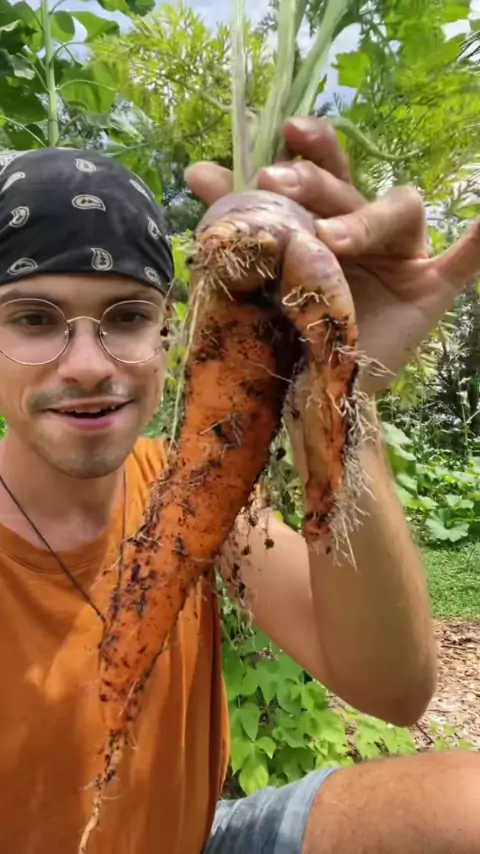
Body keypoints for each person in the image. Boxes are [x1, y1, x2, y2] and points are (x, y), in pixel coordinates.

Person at [0, 121, 477, 854]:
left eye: (128, 316)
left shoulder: (189, 490)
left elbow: (392, 688)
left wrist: (343, 393)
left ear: (170, 334)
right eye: (35, 319)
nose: (89, 364)